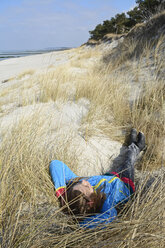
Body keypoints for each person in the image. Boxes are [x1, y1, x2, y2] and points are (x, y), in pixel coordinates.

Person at [49, 128, 146, 229]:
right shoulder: (108, 204)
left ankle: (131, 146)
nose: (84, 181)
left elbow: (56, 164)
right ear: (90, 201)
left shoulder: (76, 185)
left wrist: (62, 193)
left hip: (110, 176)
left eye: (81, 183)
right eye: (86, 186)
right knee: (128, 161)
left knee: (120, 163)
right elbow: (106, 218)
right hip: (126, 182)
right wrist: (79, 227)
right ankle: (137, 147)